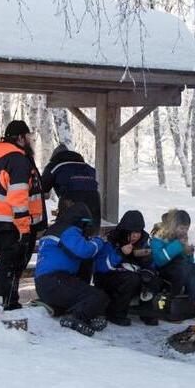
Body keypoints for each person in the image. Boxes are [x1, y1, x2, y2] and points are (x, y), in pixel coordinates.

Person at [0, 120, 47, 310]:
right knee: (12, 265)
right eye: (28, 137)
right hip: (15, 224)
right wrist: (24, 230)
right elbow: (18, 196)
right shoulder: (17, 159)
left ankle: (7, 301)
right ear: (20, 138)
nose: (30, 141)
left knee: (6, 262)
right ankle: (4, 304)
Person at [34, 203, 110, 336]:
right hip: (55, 281)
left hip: (45, 284)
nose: (87, 228)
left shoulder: (54, 229)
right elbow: (84, 251)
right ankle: (75, 318)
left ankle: (56, 307)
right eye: (86, 224)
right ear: (80, 221)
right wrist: (99, 241)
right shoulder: (68, 230)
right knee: (98, 296)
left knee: (81, 292)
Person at [41, 144, 101, 283]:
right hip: (94, 205)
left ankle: (69, 282)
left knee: (70, 241)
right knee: (87, 239)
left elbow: (42, 188)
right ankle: (85, 282)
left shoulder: (54, 165)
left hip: (71, 204)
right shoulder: (86, 166)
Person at [101, 210, 158, 326]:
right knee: (131, 279)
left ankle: (146, 312)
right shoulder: (111, 241)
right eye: (131, 232)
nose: (135, 236)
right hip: (108, 278)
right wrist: (120, 253)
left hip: (132, 275)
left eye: (138, 232)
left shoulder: (142, 243)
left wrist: (148, 271)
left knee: (153, 279)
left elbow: (151, 264)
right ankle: (115, 313)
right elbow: (101, 267)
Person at [150, 209, 195, 302]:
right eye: (182, 228)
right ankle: (173, 301)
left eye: (186, 229)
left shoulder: (181, 236)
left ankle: (192, 302)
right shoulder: (160, 234)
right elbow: (159, 260)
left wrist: (188, 254)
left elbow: (188, 262)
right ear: (174, 226)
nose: (184, 232)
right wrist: (179, 245)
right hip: (161, 269)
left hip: (177, 267)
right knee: (182, 271)